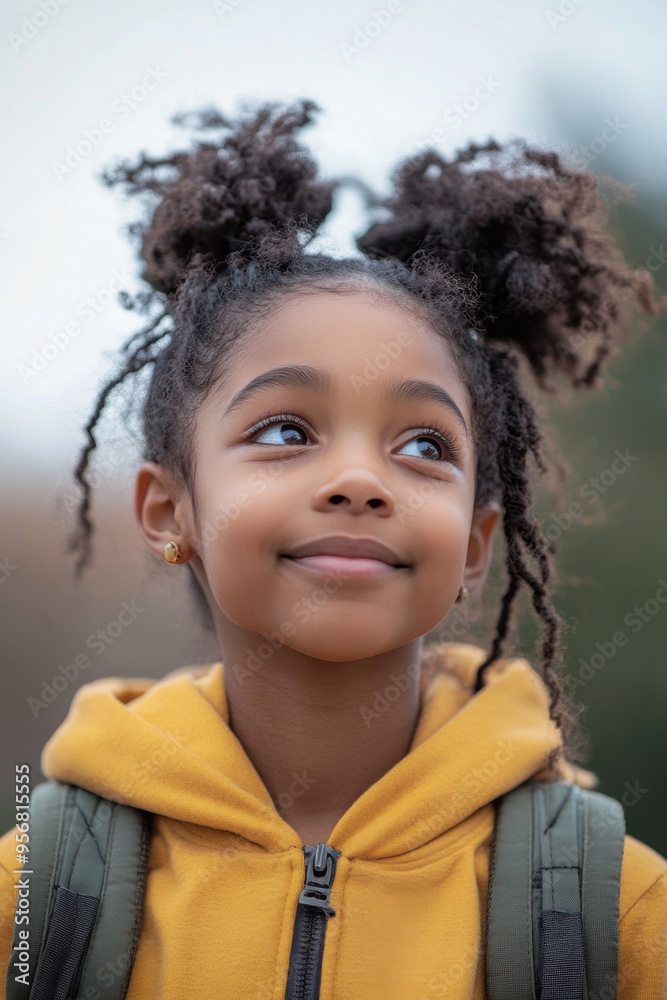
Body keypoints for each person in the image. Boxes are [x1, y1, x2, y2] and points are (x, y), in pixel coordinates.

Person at [1, 97, 665, 999]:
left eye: (424, 445)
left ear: (475, 545)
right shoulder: (35, 896)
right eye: (284, 431)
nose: (361, 481)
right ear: (169, 511)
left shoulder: (611, 909)